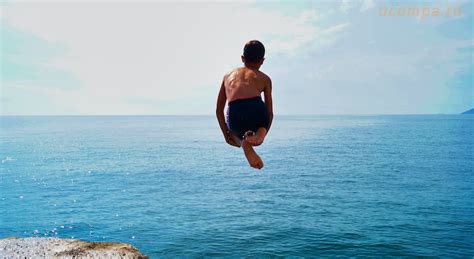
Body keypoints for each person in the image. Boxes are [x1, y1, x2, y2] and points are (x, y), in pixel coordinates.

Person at [215, 40, 273, 169]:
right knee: (262, 124)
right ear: (262, 61)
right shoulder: (264, 78)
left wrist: (227, 134)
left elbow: (219, 110)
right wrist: (263, 134)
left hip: (236, 114)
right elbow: (270, 113)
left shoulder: (227, 76)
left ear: (242, 58)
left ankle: (242, 142)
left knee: (234, 132)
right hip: (257, 111)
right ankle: (257, 136)